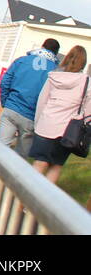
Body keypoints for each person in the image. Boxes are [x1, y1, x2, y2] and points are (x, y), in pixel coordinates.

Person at [30, 45, 91, 185]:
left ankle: (22, 201)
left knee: (39, 163)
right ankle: (42, 203)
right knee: (56, 166)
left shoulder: (54, 76)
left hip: (46, 125)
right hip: (68, 130)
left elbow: (42, 100)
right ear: (83, 62)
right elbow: (88, 111)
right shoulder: (86, 82)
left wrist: (37, 122)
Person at [0, 38, 60, 156]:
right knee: (20, 157)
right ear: (56, 53)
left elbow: (5, 82)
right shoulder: (55, 72)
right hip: (31, 116)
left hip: (12, 107)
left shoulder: (22, 60)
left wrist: (6, 103)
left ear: (42, 46)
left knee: (0, 148)